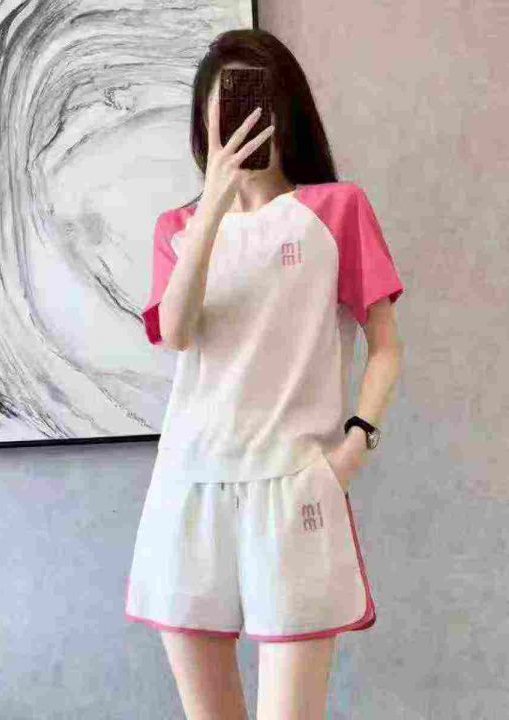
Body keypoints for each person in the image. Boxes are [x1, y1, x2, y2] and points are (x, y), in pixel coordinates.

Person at [125, 28, 405, 720]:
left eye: (256, 99)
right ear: (203, 121)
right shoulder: (177, 228)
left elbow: (387, 347)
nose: (242, 118)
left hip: (293, 488)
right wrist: (214, 203)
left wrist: (354, 448)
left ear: (286, 109)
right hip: (188, 491)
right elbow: (178, 332)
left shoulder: (337, 210)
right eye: (225, 106)